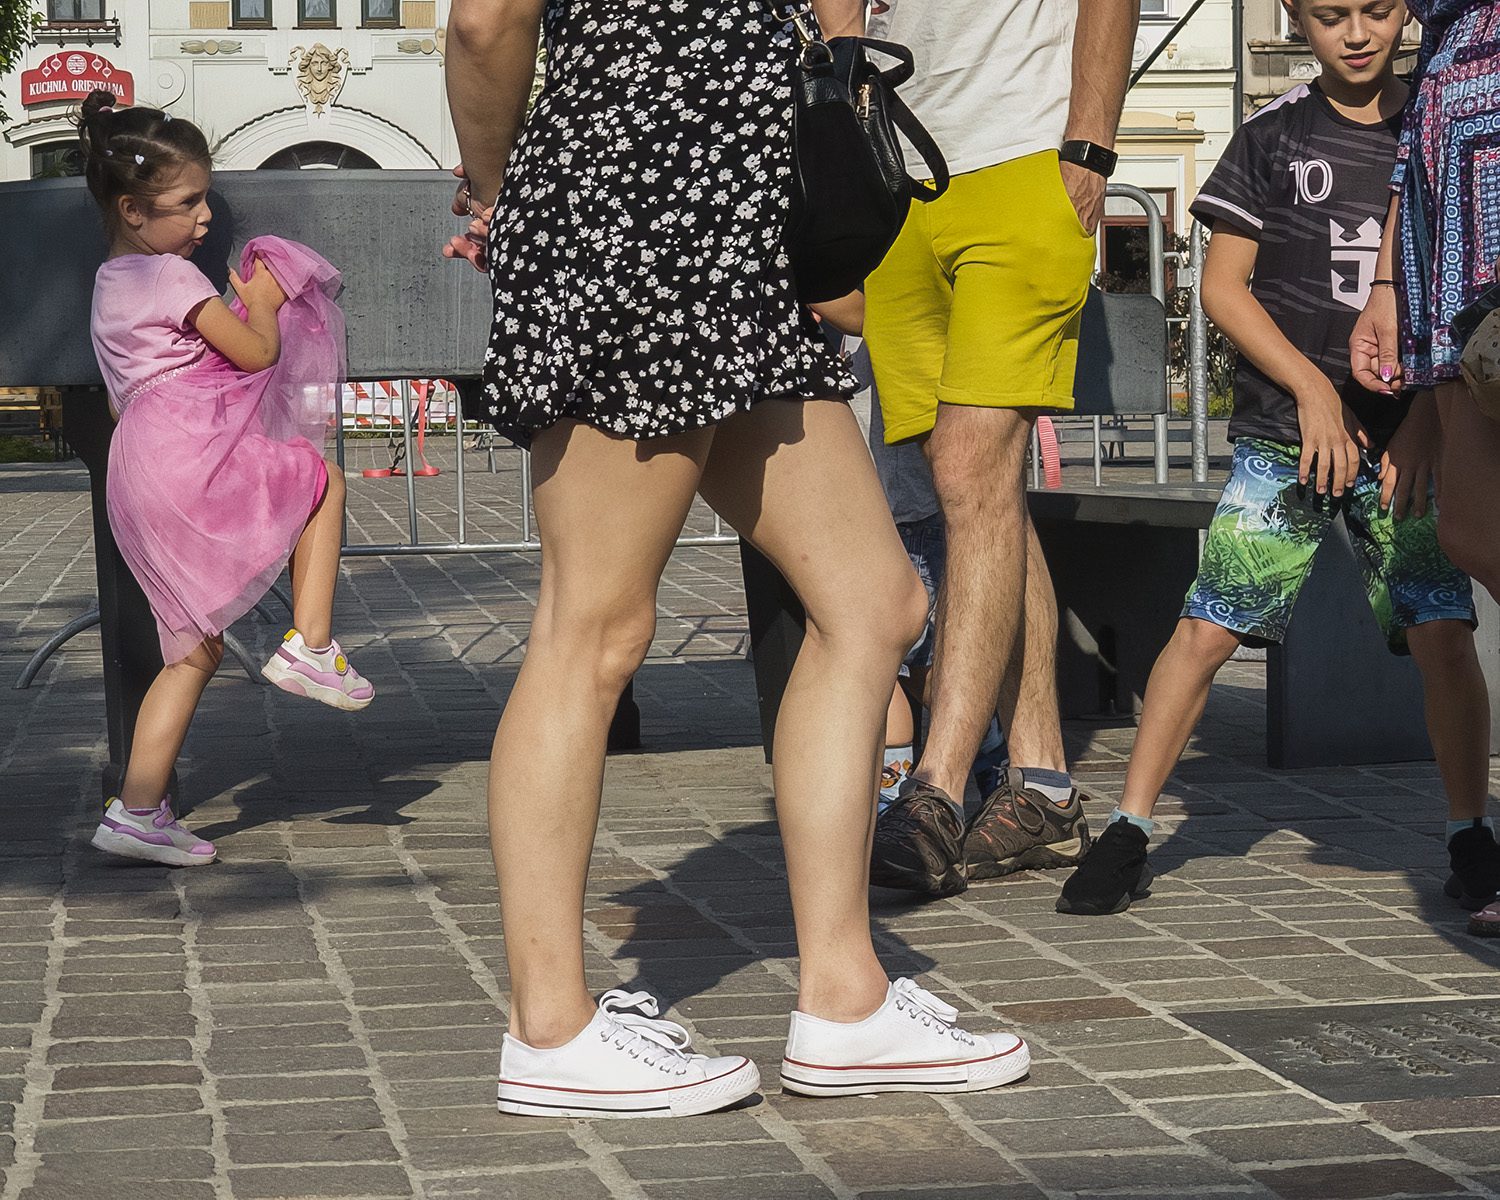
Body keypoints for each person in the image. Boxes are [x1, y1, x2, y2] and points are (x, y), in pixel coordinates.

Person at [443, 0, 1031, 1119]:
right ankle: (549, 1029)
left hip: (744, 223)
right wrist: (501, 188)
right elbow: (486, 20)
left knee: (874, 602)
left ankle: (845, 1001)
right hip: (640, 205)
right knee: (594, 625)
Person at [1058, 0, 1500, 921]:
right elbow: (1224, 288)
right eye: (1332, 15)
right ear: (1297, 19)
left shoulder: (1434, 124)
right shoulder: (1271, 134)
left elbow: (1450, 279)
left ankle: (1469, 831)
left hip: (1405, 438)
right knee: (1209, 626)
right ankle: (1130, 828)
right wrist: (1310, 390)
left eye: (1375, 10)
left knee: (1442, 633)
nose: (1357, 33)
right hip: (1284, 435)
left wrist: (1426, 417)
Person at [860, 0, 1139, 897]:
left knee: (969, 468)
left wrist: (1089, 147)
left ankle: (935, 793)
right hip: (897, 180)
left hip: (1022, 158)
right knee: (975, 492)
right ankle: (1044, 786)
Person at [79, 90, 373, 869]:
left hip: (137, 464)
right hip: (183, 447)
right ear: (134, 210)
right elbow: (256, 353)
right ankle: (311, 645)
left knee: (192, 652)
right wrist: (265, 302)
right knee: (322, 479)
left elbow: (118, 395)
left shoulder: (109, 284)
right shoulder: (170, 277)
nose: (205, 217)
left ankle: (137, 812)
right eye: (188, 202)